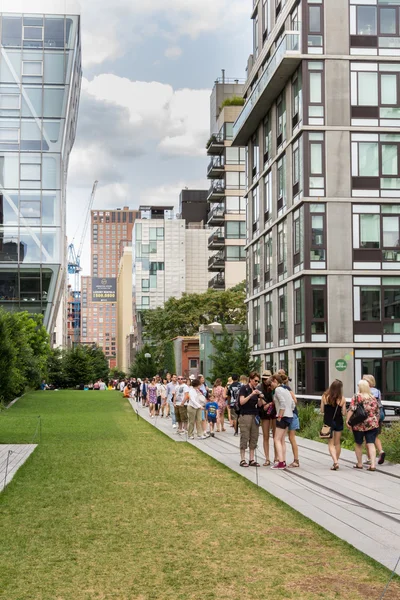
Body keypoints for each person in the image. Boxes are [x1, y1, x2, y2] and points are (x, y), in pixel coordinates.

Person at [346, 380, 380, 471]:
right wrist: (376, 421)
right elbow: (377, 411)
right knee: (371, 443)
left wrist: (347, 420)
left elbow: (352, 409)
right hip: (372, 424)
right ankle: (373, 464)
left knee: (358, 443)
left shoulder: (357, 397)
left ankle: (359, 464)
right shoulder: (372, 397)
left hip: (358, 424)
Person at [269, 374, 295, 469]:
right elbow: (292, 403)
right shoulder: (286, 389)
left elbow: (282, 403)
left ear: (275, 381)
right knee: (282, 440)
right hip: (289, 416)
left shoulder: (278, 390)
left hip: (282, 416)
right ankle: (283, 460)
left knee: (276, 439)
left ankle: (280, 462)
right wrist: (290, 411)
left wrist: (280, 415)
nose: (270, 385)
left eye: (271, 383)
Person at [320, 380, 347, 470]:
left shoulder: (325, 396)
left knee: (330, 444)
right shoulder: (342, 398)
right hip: (338, 421)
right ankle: (336, 461)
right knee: (337, 443)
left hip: (328, 422)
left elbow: (322, 410)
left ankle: (335, 462)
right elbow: (343, 413)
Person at [238, 372, 263, 468]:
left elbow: (260, 405)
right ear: (250, 379)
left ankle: (251, 459)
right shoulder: (244, 388)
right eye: (255, 381)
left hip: (254, 414)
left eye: (258, 381)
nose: (257, 383)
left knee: (254, 436)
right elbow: (242, 401)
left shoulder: (256, 390)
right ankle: (242, 459)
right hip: (245, 415)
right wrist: (251, 394)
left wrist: (260, 398)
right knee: (245, 435)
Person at [278, 370, 300, 469]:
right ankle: (294, 460)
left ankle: (288, 460)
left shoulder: (284, 388)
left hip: (289, 414)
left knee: (286, 438)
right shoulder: (286, 388)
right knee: (290, 438)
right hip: (293, 414)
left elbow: (294, 400)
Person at [363, 374, 385, 465]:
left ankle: (369, 458)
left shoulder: (365, 392)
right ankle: (381, 451)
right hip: (378, 416)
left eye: (364, 380)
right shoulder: (378, 391)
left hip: (368, 418)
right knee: (375, 436)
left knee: (367, 439)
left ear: (368, 382)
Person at [257, 370, 276, 466]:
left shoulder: (274, 386)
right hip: (264, 413)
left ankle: (277, 457)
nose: (265, 380)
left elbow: (277, 399)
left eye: (267, 378)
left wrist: (269, 404)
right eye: (264, 378)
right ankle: (267, 458)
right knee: (266, 436)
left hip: (274, 411)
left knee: (276, 436)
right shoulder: (260, 387)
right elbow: (259, 400)